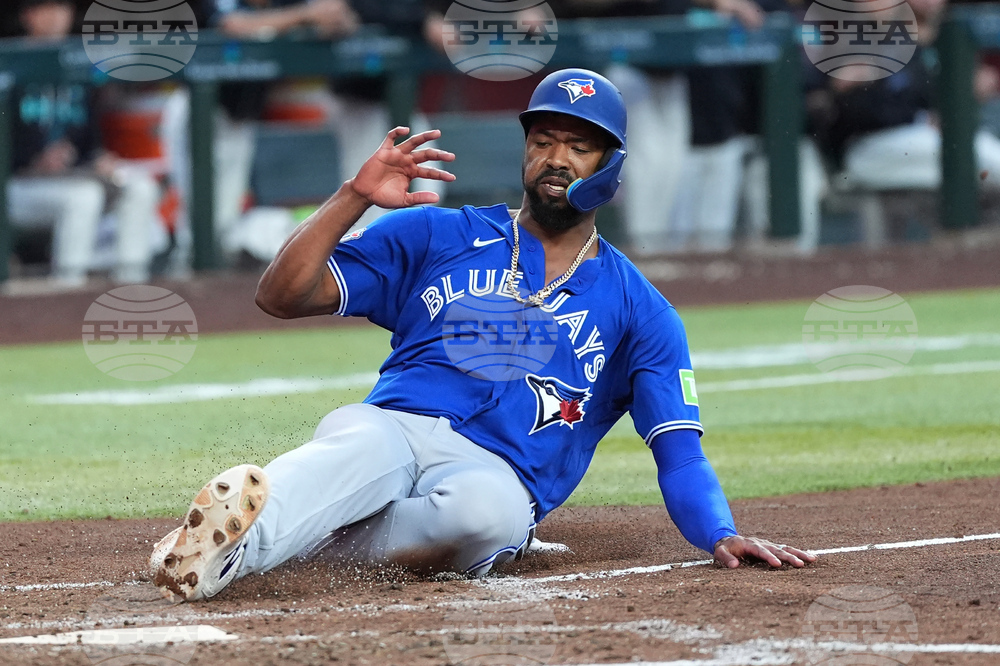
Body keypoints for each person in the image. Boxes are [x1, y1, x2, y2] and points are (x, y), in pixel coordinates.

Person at [150, 68, 815, 602]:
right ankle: (223, 551)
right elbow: (281, 296)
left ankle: (280, 539)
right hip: (396, 425)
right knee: (356, 454)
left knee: (483, 519)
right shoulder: (442, 234)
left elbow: (679, 451)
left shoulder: (643, 312)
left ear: (610, 168)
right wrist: (354, 195)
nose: (555, 158)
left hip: (498, 475)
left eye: (578, 146)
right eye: (543, 140)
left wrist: (719, 533)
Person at [8, 0, 160, 285]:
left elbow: (88, 140)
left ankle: (131, 285)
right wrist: (31, 160)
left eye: (62, 9)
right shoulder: (11, 64)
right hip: (19, 183)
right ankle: (68, 290)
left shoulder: (77, 66)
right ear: (28, 15)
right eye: (47, 9)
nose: (56, 18)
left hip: (71, 175)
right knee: (83, 197)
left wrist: (98, 157)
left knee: (141, 187)